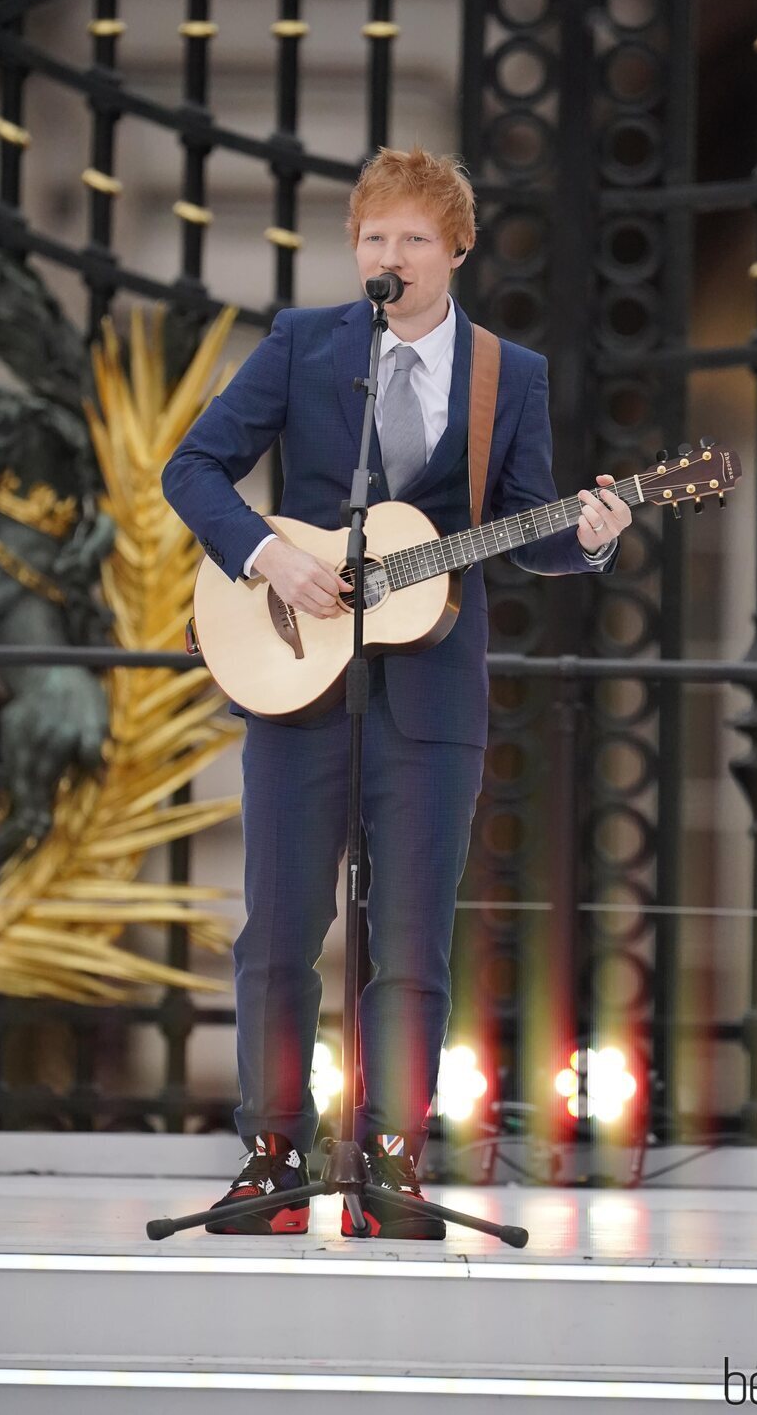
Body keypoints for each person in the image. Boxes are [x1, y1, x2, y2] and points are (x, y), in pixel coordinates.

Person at [161, 146, 631, 1239]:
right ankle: (271, 1153)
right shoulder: (301, 345)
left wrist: (591, 537)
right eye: (373, 237)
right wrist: (268, 558)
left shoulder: (507, 376)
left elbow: (524, 531)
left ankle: (388, 1159)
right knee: (277, 929)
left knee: (411, 935)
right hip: (295, 681)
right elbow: (192, 468)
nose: (389, 256)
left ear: (455, 250)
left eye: (412, 239)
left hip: (430, 695)